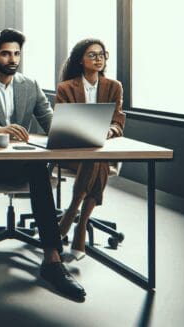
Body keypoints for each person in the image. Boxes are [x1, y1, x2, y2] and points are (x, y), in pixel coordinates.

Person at [0, 29, 87, 301]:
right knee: (37, 168)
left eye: (16, 53)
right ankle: (53, 255)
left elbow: (50, 121)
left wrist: (74, 131)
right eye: (5, 53)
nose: (12, 59)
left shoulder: (30, 85)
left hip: (24, 163)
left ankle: (52, 260)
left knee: (38, 167)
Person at [56, 39, 125, 260]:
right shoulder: (66, 88)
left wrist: (109, 131)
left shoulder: (113, 86)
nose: (99, 59)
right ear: (80, 60)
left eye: (102, 54)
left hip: (100, 149)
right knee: (96, 159)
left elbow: (118, 121)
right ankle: (80, 223)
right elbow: (64, 123)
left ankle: (76, 217)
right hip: (72, 151)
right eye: (92, 55)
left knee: (97, 158)